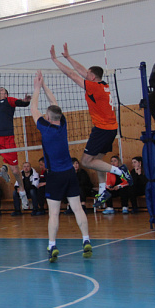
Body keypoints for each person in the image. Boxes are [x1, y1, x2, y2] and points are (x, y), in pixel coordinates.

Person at [50, 43, 132, 209]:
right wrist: (68, 57)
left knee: (86, 161)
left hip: (102, 129)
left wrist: (55, 60)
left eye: (88, 74)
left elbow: (73, 75)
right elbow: (82, 71)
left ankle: (120, 172)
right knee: (96, 161)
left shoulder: (94, 88)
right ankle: (103, 191)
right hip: (110, 128)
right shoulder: (103, 85)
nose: (85, 75)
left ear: (92, 77)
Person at [30, 71, 92, 263]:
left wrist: (37, 88)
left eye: (46, 115)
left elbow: (33, 108)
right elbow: (54, 103)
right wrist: (45, 86)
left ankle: (52, 246)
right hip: (69, 173)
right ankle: (86, 240)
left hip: (55, 176)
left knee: (54, 213)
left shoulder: (45, 127)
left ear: (48, 118)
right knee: (78, 208)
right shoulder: (62, 124)